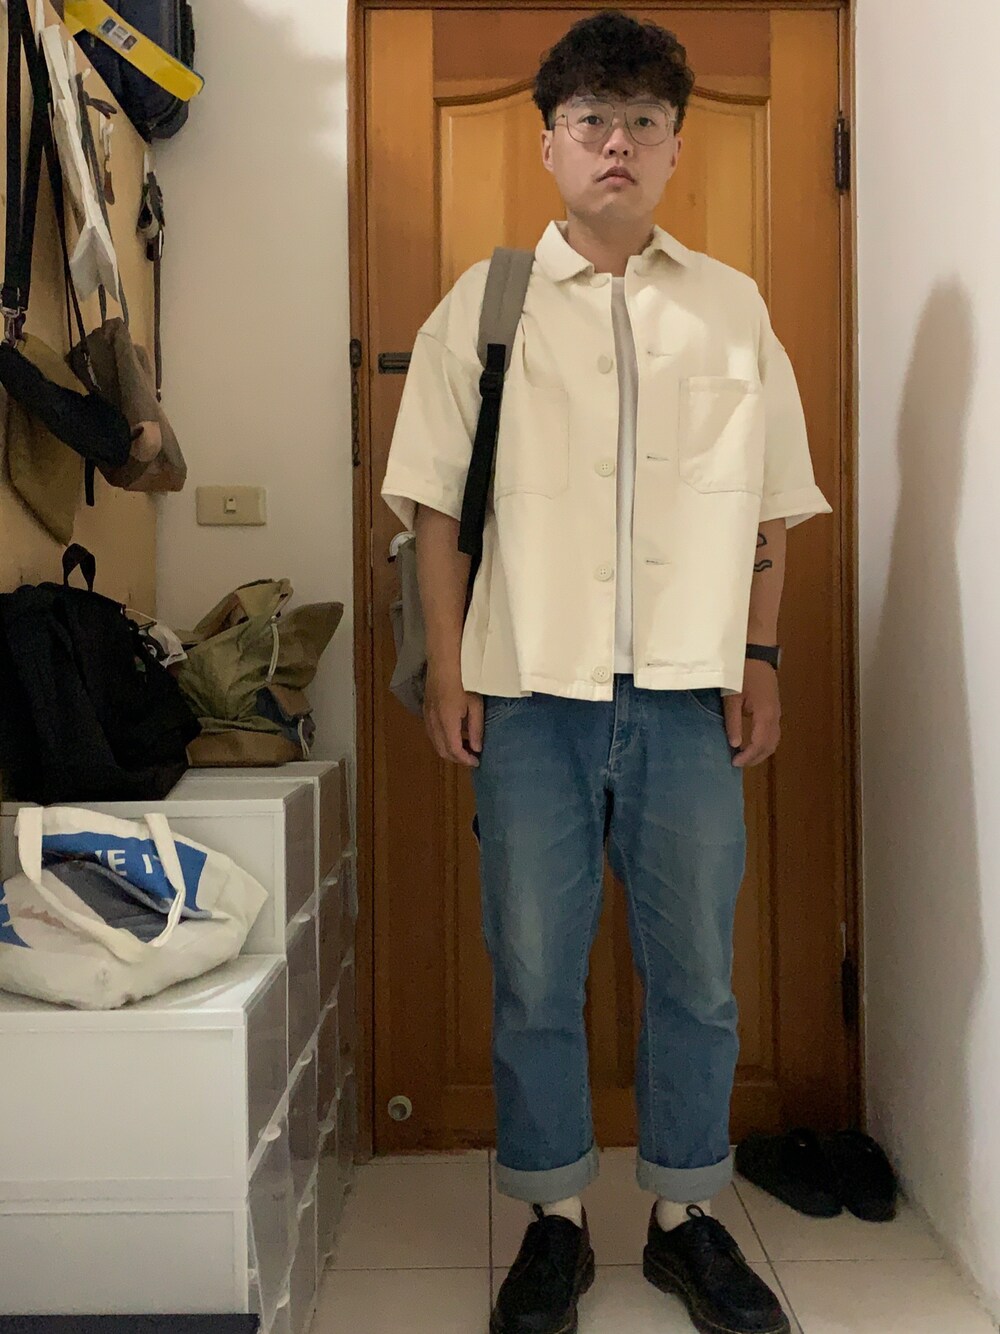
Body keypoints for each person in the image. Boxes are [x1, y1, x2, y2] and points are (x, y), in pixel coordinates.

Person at [381, 11, 831, 1333]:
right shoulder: (487, 304)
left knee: (697, 973)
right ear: (551, 145)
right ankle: (554, 1224)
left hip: (690, 696)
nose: (617, 143)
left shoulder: (732, 307)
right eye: (591, 120)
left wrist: (761, 657)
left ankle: (687, 1219)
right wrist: (452, 669)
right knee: (532, 969)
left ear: (677, 146)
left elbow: (769, 504)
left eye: (642, 120)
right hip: (528, 693)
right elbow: (436, 511)